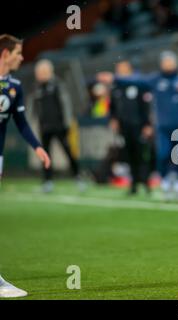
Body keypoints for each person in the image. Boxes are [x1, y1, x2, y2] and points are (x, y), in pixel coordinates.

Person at [98, 51, 178, 200]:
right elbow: (135, 81)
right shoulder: (156, 79)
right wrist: (115, 78)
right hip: (162, 127)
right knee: (162, 155)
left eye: (169, 61)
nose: (167, 64)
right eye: (165, 61)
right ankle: (165, 183)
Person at [0, 34, 51, 298]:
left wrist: (38, 146)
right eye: (18, 53)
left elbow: (20, 122)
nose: (22, 57)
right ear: (5, 54)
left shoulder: (14, 86)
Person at [30, 59, 83, 193]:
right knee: (45, 155)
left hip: (60, 126)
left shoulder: (58, 85)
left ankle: (78, 177)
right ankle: (47, 181)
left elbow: (66, 105)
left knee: (69, 152)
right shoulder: (37, 88)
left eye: (41, 72)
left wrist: (67, 123)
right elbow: (34, 107)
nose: (39, 75)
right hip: (44, 127)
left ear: (49, 71)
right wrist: (33, 122)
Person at [109, 59, 153, 195]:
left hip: (138, 126)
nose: (120, 71)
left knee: (142, 155)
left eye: (123, 68)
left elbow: (145, 106)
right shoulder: (116, 87)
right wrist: (113, 119)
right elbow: (113, 107)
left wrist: (147, 124)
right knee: (129, 156)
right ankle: (133, 184)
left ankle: (146, 183)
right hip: (124, 126)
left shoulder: (138, 84)